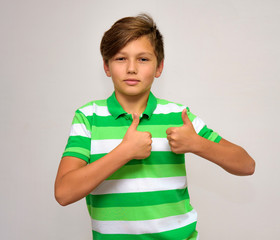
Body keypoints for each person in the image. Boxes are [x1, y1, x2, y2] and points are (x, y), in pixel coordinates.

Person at [55, 13, 255, 240]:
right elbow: (63, 192)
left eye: (143, 59)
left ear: (159, 67)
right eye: (121, 58)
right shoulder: (88, 117)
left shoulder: (178, 116)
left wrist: (197, 144)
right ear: (106, 66)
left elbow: (246, 165)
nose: (131, 68)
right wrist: (124, 152)